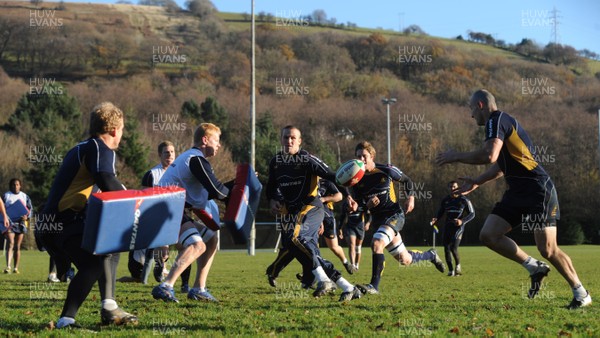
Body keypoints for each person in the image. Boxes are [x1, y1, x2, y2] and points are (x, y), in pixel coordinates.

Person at [436, 89, 591, 309]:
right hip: (517, 192)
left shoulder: (497, 119)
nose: (471, 115)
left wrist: (455, 156)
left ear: (480, 105)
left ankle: (581, 293)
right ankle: (533, 267)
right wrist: (477, 181)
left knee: (548, 249)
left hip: (538, 190)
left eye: (471, 108)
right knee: (489, 234)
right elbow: (500, 166)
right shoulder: (499, 124)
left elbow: (489, 155)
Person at [38, 102, 138, 328]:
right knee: (92, 265)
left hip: (53, 223)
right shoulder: (101, 148)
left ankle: (110, 307)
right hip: (62, 222)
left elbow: (88, 190)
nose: (122, 134)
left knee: (108, 244)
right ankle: (67, 320)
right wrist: (136, 200)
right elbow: (106, 180)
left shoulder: (81, 148)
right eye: (122, 129)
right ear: (114, 130)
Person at [266, 125, 362, 302]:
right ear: (281, 140)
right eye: (286, 137)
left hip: (312, 208)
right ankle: (348, 287)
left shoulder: (307, 159)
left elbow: (334, 176)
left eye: (293, 138)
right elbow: (271, 187)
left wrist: (348, 196)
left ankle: (323, 280)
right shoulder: (276, 162)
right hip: (293, 213)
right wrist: (272, 200)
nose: (289, 141)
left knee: (295, 238)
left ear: (300, 141)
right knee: (304, 249)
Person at [348, 141, 445, 295]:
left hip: (394, 215)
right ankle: (431, 255)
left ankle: (374, 286)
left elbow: (407, 181)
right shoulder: (355, 180)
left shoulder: (386, 170)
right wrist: (365, 206)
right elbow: (360, 206)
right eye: (358, 157)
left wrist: (410, 197)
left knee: (377, 243)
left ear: (372, 156)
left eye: (364, 156)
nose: (361, 159)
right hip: (379, 222)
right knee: (405, 260)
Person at [151, 123, 231, 303]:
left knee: (211, 239)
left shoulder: (193, 159)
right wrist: (241, 190)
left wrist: (239, 186)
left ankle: (198, 289)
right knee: (198, 246)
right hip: (166, 208)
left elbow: (214, 190)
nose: (219, 145)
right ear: (205, 140)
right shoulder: (196, 159)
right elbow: (218, 192)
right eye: (216, 140)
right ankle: (166, 286)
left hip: (169, 207)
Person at [133, 141, 177, 286]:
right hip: (153, 218)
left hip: (172, 218)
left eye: (172, 152)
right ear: (159, 155)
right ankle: (144, 281)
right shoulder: (151, 174)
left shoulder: (179, 173)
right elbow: (142, 198)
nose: (169, 155)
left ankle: (159, 269)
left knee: (164, 253)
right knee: (151, 250)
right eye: (166, 152)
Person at [431, 180, 475, 276]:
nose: (452, 188)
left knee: (453, 248)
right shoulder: (445, 200)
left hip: (458, 227)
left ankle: (458, 266)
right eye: (450, 187)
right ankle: (451, 271)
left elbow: (472, 214)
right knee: (446, 247)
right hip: (448, 226)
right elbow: (440, 212)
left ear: (458, 188)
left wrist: (462, 221)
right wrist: (436, 219)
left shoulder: (464, 200)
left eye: (454, 186)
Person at [318, 178, 353, 274]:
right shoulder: (305, 182)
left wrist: (324, 199)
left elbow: (339, 196)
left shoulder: (325, 182)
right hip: (311, 217)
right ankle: (311, 270)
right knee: (310, 245)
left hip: (327, 218)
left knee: (334, 246)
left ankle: (346, 263)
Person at [3, 178, 33, 274]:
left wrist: (27, 217)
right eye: (13, 185)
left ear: (20, 185)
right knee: (10, 243)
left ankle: (15, 268)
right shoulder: (6, 196)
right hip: (9, 224)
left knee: (17, 246)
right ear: (10, 186)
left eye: (17, 184)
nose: (15, 186)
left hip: (21, 224)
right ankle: (8, 266)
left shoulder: (25, 196)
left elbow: (30, 210)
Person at [339, 200, 371, 273]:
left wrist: (368, 223)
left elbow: (369, 215)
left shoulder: (362, 202)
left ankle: (357, 265)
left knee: (358, 247)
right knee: (351, 245)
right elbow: (342, 216)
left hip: (360, 227)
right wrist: (340, 228)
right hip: (350, 227)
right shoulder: (345, 203)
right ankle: (352, 265)